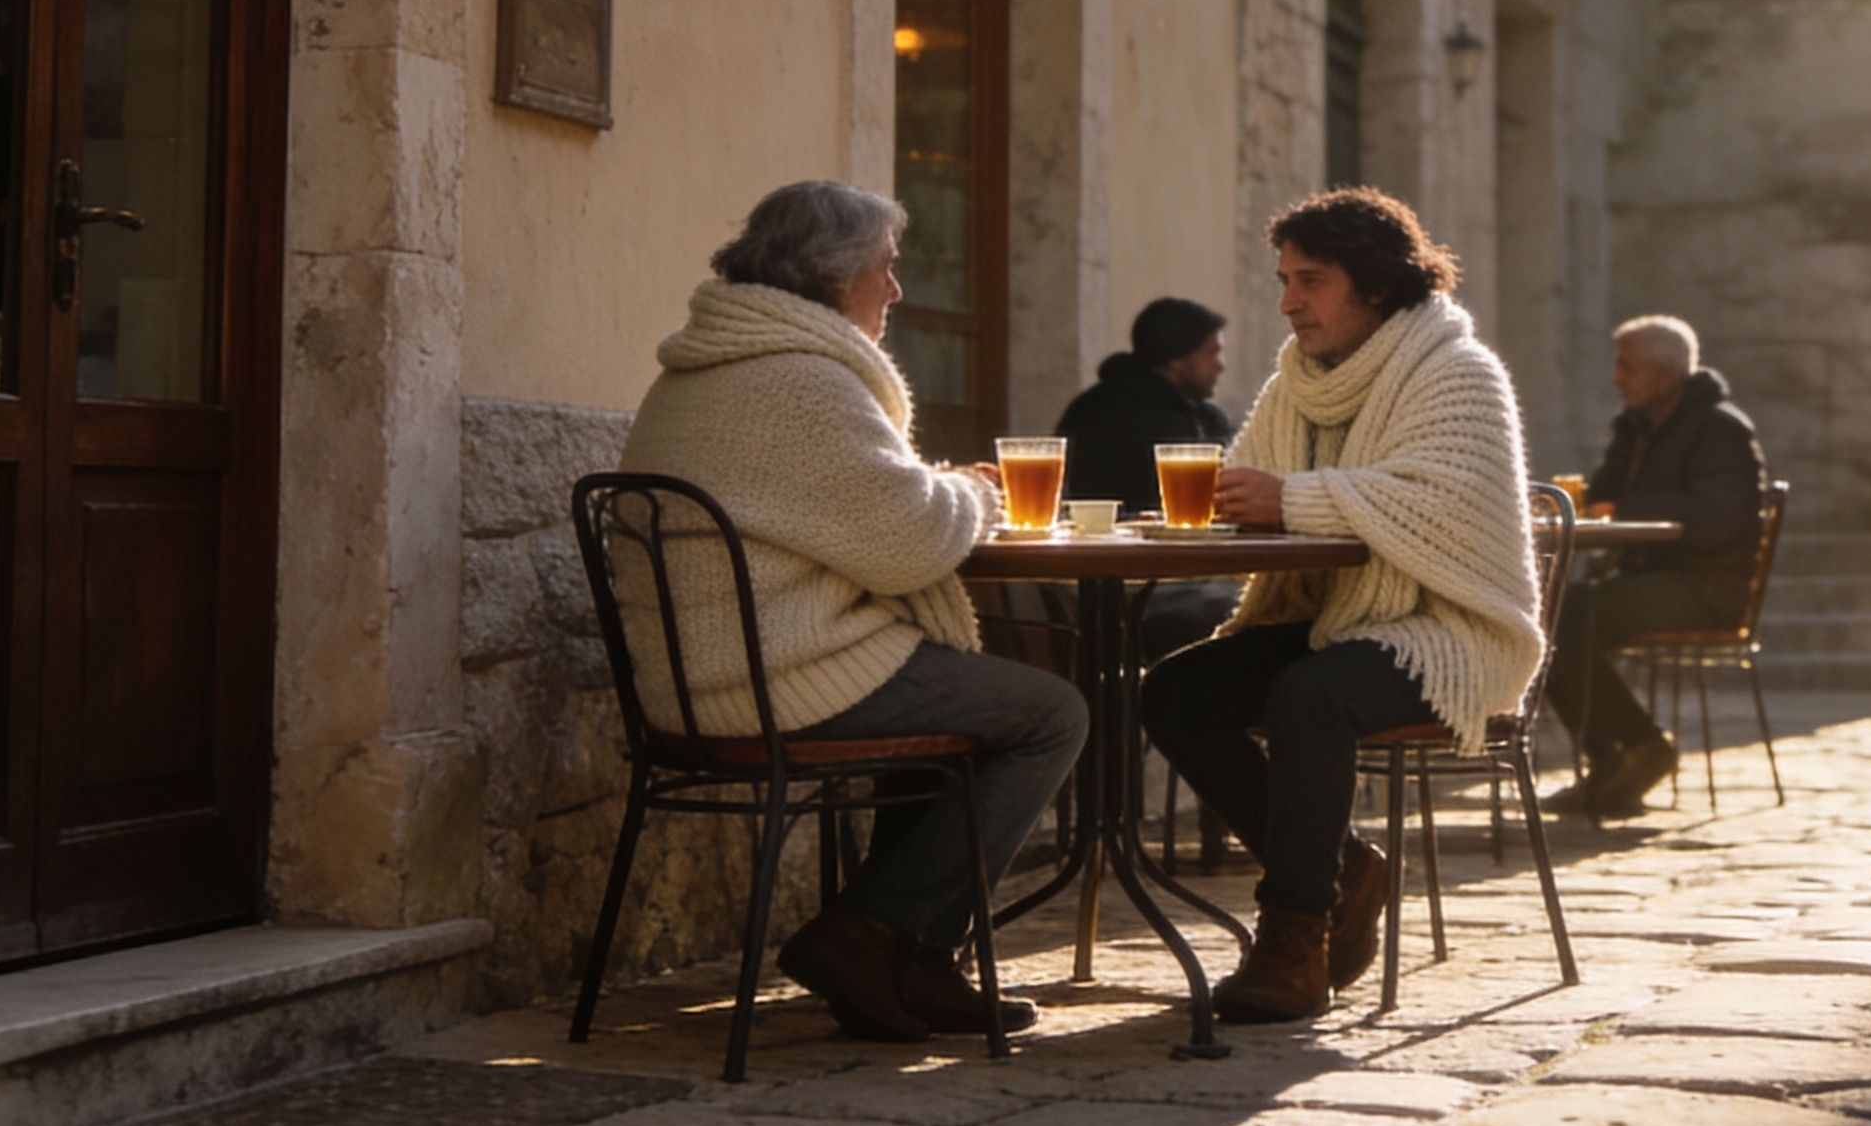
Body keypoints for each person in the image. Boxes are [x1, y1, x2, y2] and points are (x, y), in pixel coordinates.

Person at [615, 179, 1088, 1046]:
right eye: (888, 268)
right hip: (775, 681)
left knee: (957, 696)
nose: (897, 291)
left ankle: (914, 965)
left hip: (720, 674)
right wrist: (973, 495)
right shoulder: (797, 382)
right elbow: (910, 542)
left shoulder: (708, 365)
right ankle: (868, 934)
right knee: (1051, 712)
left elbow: (868, 514)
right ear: (834, 276)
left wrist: (935, 493)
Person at [1137, 188, 1539, 1023]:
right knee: (1174, 692)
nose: (1286, 302)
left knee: (1310, 695)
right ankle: (1347, 867)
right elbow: (1258, 480)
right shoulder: (1299, 381)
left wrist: (1294, 500)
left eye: (1310, 281)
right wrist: (1232, 501)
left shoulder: (1459, 372)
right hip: (1336, 618)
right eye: (1284, 280)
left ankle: (1294, 940)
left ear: (1379, 286)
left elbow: (1443, 506)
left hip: (1450, 630)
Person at [1542, 315, 1768, 821]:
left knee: (1568, 613)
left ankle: (1640, 747)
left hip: (1705, 585)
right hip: (1646, 578)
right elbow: (1604, 494)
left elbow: (1719, 516)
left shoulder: (1721, 429)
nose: (1617, 378)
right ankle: (1613, 759)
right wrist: (1606, 506)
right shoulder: (1636, 428)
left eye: (1627, 367)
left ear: (1664, 374)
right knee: (1549, 613)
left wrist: (1629, 508)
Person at [1052, 296, 1233, 508]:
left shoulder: (1205, 417)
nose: (1220, 365)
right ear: (1176, 359)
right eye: (1212, 353)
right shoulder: (1100, 416)